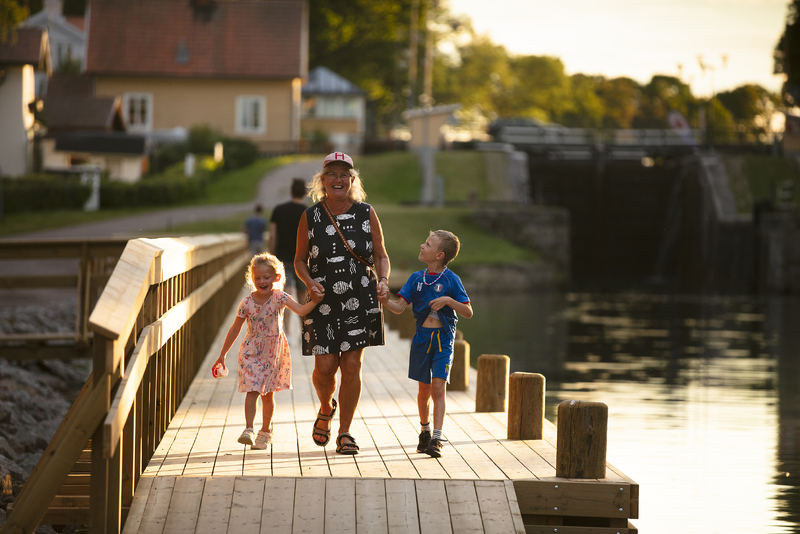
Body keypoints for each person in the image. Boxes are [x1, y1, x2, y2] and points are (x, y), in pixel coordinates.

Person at [294, 152, 390, 455]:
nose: (338, 179)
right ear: (322, 181)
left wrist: (384, 280)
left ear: (352, 180)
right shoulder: (310, 216)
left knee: (351, 364)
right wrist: (310, 283)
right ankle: (326, 406)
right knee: (324, 366)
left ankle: (345, 432)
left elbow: (380, 255)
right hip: (322, 300)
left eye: (344, 174)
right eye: (332, 174)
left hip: (360, 297)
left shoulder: (366, 212)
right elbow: (299, 260)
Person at [378, 230, 473, 458]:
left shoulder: (452, 280)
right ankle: (425, 430)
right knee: (424, 390)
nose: (422, 246)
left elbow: (468, 311)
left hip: (443, 341)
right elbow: (399, 307)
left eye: (428, 244)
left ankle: (438, 438)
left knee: (439, 387)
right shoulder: (415, 279)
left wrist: (449, 300)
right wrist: (384, 300)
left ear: (439, 255)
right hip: (421, 340)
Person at [213, 252, 321, 450]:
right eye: (257, 278)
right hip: (250, 352)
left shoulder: (280, 297)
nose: (261, 281)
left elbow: (301, 310)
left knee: (267, 395)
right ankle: (248, 429)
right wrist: (223, 354)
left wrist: (314, 300)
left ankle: (265, 432)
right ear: (252, 278)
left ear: (277, 278)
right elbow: (235, 329)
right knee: (252, 390)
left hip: (273, 353)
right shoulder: (246, 303)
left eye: (266, 277)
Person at [269, 178, 307, 300]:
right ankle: (304, 319)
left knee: (286, 293)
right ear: (305, 193)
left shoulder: (278, 210)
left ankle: (285, 320)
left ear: (291, 191)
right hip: (302, 260)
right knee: (303, 294)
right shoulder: (308, 213)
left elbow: (272, 236)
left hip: (283, 257)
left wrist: (271, 257)